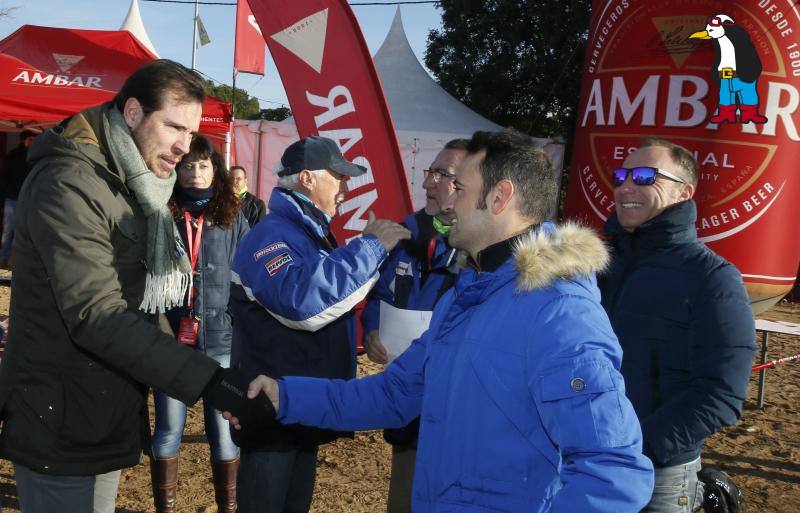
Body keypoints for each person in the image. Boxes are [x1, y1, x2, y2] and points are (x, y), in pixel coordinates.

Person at [228, 130, 655, 513]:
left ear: (499, 197)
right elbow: (393, 394)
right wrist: (285, 397)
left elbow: (612, 474)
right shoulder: (465, 297)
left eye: (460, 187)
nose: (446, 199)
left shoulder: (560, 310)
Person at [0, 59, 271, 513]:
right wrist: (207, 380)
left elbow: (140, 308)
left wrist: (210, 371)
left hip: (97, 409)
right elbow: (97, 315)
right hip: (61, 419)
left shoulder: (132, 183)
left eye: (191, 132)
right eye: (174, 127)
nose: (185, 147)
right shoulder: (70, 182)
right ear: (131, 114)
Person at [228, 135, 411, 513]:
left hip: (299, 404)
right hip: (271, 412)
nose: (345, 188)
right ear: (308, 179)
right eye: (338, 176)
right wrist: (372, 247)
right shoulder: (271, 234)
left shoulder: (307, 232)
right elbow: (302, 305)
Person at [598, 138, 755, 513]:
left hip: (659, 476)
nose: (625, 186)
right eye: (621, 176)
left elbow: (720, 394)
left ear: (684, 192)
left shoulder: (713, 278)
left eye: (644, 176)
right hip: (580, 460)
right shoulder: (599, 266)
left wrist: (638, 447)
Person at [360, 139, 467, 513]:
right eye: (430, 172)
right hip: (405, 392)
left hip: (455, 405)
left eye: (442, 175)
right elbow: (377, 296)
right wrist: (371, 329)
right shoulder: (404, 235)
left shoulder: (484, 251)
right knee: (404, 495)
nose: (428, 183)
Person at [150, 136, 249, 513]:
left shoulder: (233, 215)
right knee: (169, 429)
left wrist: (232, 320)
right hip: (171, 341)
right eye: (188, 166)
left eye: (203, 166)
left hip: (221, 339)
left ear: (216, 171)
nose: (195, 173)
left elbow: (247, 275)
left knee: (223, 434)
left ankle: (229, 507)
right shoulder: (161, 211)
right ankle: (167, 508)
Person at [0, 130, 36, 269]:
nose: (32, 142)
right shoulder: (13, 155)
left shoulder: (34, 156)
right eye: (30, 139)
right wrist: (10, 191)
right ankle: (4, 257)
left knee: (21, 231)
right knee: (8, 230)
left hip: (27, 198)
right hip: (13, 197)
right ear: (24, 140)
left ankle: (14, 260)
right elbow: (5, 175)